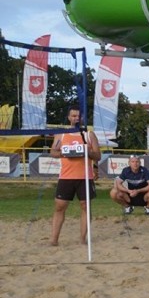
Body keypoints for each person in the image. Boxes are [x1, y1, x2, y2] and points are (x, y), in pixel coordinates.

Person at [49, 105, 101, 246]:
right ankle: (54, 239)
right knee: (60, 206)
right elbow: (53, 152)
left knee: (85, 206)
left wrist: (86, 152)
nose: (76, 118)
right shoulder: (61, 134)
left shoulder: (89, 135)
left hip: (85, 177)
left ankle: (82, 239)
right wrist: (65, 153)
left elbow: (98, 155)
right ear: (69, 117)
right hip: (66, 176)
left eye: (78, 116)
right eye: (73, 116)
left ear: (83, 117)